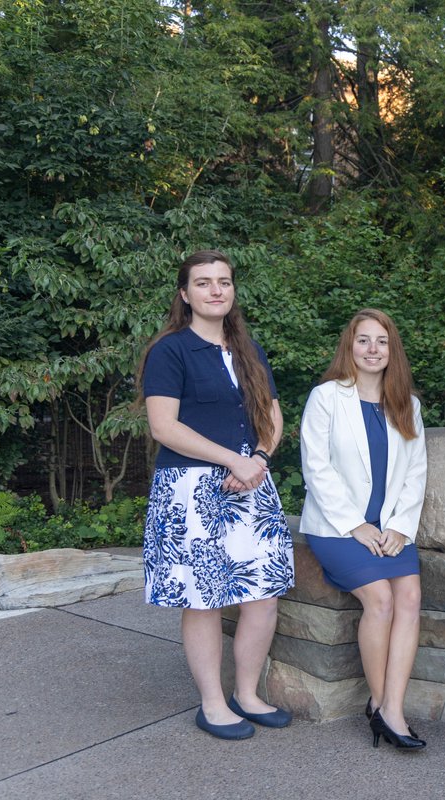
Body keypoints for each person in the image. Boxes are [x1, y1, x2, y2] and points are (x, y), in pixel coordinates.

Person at [140, 249, 294, 741]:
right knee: (203, 600)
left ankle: (246, 694)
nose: (215, 290)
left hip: (252, 483)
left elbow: (271, 415)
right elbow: (164, 426)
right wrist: (233, 459)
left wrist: (260, 460)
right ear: (185, 295)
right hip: (191, 489)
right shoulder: (170, 350)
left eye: (223, 282)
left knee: (263, 595)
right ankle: (212, 704)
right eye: (203, 283)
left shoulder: (247, 348)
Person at [299, 309, 428, 750]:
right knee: (381, 598)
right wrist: (355, 524)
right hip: (337, 527)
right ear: (349, 347)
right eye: (363, 341)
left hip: (391, 527)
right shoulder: (326, 397)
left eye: (382, 342)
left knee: (410, 597)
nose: (373, 350)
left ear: (393, 351)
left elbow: (416, 473)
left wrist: (400, 528)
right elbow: (316, 468)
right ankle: (382, 705)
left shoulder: (406, 404)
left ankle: (390, 708)